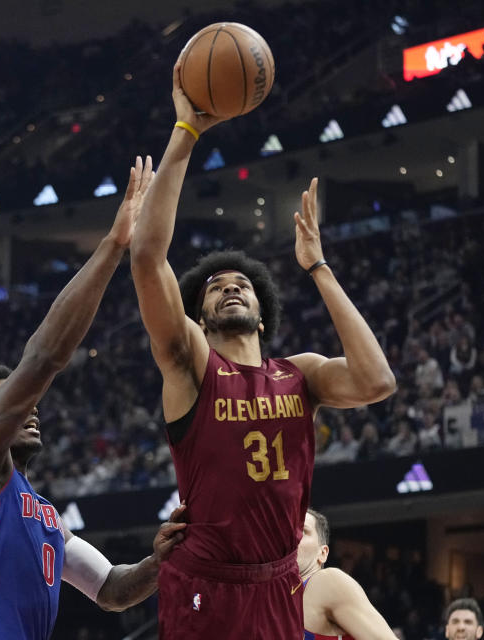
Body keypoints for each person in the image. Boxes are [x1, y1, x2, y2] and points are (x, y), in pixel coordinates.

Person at [129, 60, 397, 639]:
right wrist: (186, 133)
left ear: (263, 307)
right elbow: (148, 259)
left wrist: (320, 268)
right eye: (216, 286)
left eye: (242, 282)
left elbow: (377, 381)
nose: (230, 286)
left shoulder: (300, 374)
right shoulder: (194, 367)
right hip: (206, 578)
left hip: (277, 583)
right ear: (199, 315)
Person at [0, 158, 187, 639]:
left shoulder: (44, 514)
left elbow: (112, 589)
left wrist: (160, 559)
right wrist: (113, 246)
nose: (30, 406)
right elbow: (44, 358)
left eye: (26, 401)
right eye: (8, 400)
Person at [298, 508, 400, 640]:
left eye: (302, 530)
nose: (293, 536)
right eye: (287, 531)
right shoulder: (272, 602)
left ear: (322, 553)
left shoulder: (326, 582)